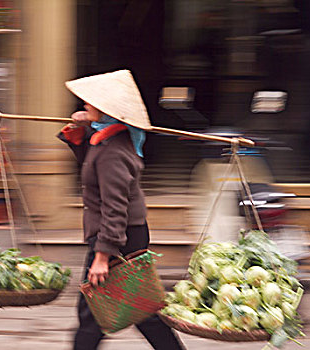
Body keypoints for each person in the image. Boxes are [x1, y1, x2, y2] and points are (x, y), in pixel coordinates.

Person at [57, 70, 186, 350]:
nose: (83, 106)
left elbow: (115, 209)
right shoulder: (108, 140)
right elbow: (90, 167)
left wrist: (103, 256)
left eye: (89, 103)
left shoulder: (113, 152)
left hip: (118, 237)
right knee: (142, 312)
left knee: (92, 315)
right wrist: (80, 129)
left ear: (104, 110)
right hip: (124, 235)